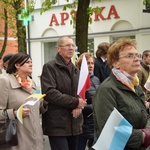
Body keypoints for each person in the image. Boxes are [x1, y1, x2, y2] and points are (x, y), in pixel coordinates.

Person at [93, 38, 150, 150]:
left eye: (136, 55)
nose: (136, 59)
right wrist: (143, 136)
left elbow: (145, 115)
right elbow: (111, 129)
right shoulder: (107, 89)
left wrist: (147, 131)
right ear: (115, 63)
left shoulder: (135, 85)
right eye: (129, 56)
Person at [41, 36, 87, 150]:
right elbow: (50, 93)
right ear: (58, 48)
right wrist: (75, 102)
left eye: (72, 45)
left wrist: (79, 105)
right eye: (67, 45)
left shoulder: (76, 69)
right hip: (57, 124)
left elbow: (81, 92)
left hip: (75, 122)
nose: (71, 48)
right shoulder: (50, 67)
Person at [0, 52, 44, 150]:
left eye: (31, 62)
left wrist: (44, 104)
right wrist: (15, 113)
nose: (31, 64)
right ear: (17, 65)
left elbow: (35, 107)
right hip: (16, 140)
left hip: (36, 140)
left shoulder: (31, 82)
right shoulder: (5, 81)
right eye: (27, 62)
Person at [76, 52, 100, 150]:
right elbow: (77, 102)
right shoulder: (77, 80)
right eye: (88, 63)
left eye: (92, 63)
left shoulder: (96, 79)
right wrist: (94, 107)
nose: (90, 66)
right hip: (82, 122)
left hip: (95, 122)